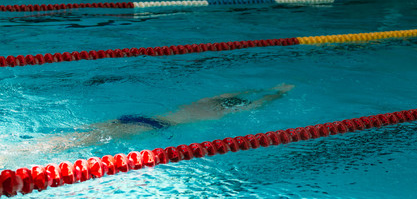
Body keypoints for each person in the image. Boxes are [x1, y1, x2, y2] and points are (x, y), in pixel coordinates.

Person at [14, 83, 295, 154]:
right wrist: (279, 94)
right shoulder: (227, 111)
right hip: (155, 126)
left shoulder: (206, 102)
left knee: (76, 136)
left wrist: (256, 89)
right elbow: (256, 104)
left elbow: (232, 93)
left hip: (141, 117)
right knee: (78, 143)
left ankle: (23, 148)